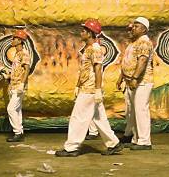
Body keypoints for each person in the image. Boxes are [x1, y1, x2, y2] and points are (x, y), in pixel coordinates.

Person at [56, 19, 123, 157]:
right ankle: (113, 143)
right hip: (86, 87)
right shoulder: (88, 49)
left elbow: (98, 70)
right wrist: (77, 85)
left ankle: (72, 147)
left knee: (78, 117)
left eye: (84, 30)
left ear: (90, 33)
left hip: (90, 89)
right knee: (99, 119)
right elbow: (85, 70)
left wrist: (97, 89)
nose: (81, 33)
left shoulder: (95, 49)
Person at [116, 17, 155, 150]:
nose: (133, 28)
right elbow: (128, 61)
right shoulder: (134, 42)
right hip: (131, 81)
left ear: (144, 29)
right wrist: (122, 77)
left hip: (141, 82)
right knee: (133, 112)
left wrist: (134, 78)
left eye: (137, 26)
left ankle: (145, 141)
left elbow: (142, 62)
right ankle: (136, 138)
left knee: (141, 110)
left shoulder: (144, 42)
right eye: (134, 26)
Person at [6, 30, 31, 142]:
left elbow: (27, 69)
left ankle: (17, 132)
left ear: (20, 41)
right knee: (17, 110)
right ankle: (20, 132)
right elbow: (18, 70)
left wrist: (22, 83)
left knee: (11, 109)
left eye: (14, 38)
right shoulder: (17, 54)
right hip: (13, 85)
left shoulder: (24, 53)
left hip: (18, 86)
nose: (12, 40)